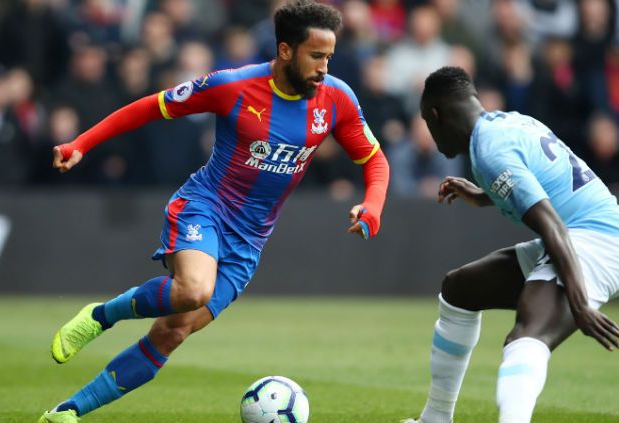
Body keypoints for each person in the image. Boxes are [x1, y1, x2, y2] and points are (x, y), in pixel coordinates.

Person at [38, 1, 389, 422]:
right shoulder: (233, 86)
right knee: (193, 289)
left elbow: (375, 161)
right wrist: (81, 143)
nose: (324, 68)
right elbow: (151, 106)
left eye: (329, 57)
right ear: (285, 51)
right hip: (206, 207)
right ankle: (100, 316)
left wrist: (373, 205)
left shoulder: (337, 99)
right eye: (316, 56)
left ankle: (67, 412)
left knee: (173, 331)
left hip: (250, 241)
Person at [405, 67, 619, 423]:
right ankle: (435, 418)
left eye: (426, 121)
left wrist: (579, 305)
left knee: (526, 337)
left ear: (437, 115)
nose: (429, 133)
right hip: (588, 236)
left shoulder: (489, 151)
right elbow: (536, 186)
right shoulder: (510, 123)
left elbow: (552, 226)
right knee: (460, 289)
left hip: (600, 243)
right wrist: (482, 196)